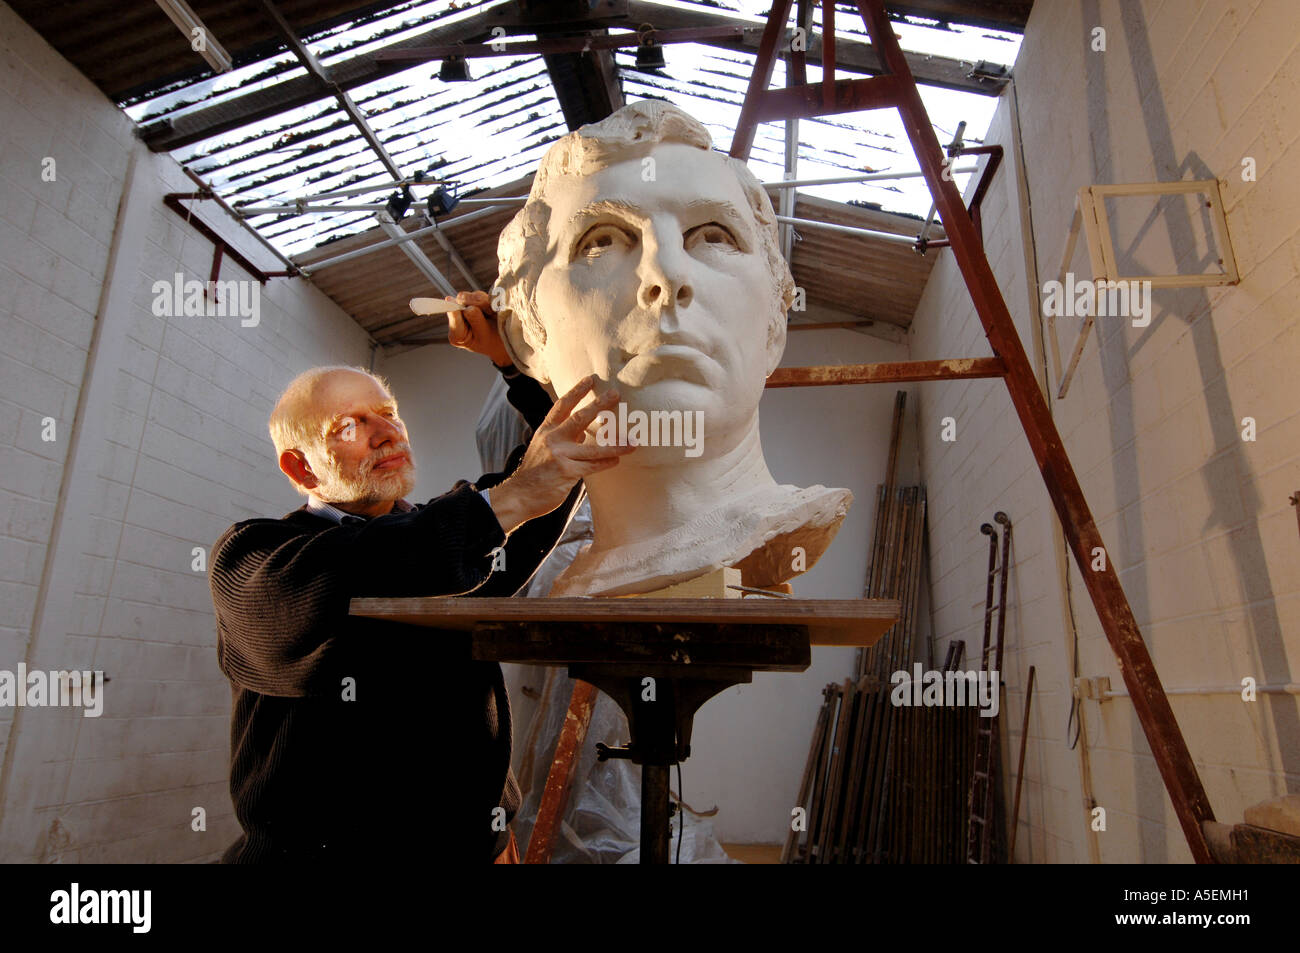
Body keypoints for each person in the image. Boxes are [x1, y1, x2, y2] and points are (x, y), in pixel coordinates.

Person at [209, 291, 634, 863]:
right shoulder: (256, 559)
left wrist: (510, 360)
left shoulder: (455, 547)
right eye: (349, 426)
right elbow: (347, 574)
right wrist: (506, 501)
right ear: (300, 465)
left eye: (389, 413)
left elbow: (546, 477)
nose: (385, 433)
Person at [494, 100, 851, 597]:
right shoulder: (574, 581)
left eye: (712, 236)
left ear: (775, 327)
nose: (667, 276)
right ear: (525, 338)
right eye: (602, 241)